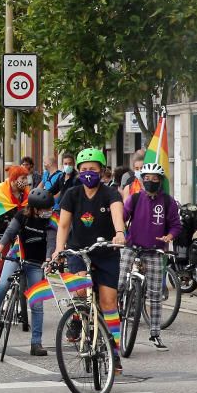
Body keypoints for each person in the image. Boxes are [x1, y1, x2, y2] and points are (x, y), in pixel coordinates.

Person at [52, 148, 126, 373]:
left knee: (108, 301)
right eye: (83, 170)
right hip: (78, 252)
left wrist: (120, 233)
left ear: (102, 171)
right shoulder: (72, 194)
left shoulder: (110, 194)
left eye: (93, 169)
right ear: (77, 171)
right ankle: (77, 317)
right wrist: (58, 250)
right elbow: (63, 225)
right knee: (80, 291)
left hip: (106, 252)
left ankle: (114, 348)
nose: (88, 173)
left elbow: (117, 215)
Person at [0, 188, 54, 355]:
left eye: (50, 208)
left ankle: (36, 343)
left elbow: (51, 242)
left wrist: (49, 259)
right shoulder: (22, 215)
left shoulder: (50, 221)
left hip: (37, 263)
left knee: (37, 304)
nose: (48, 211)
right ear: (35, 208)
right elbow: (10, 232)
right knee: (2, 285)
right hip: (16, 256)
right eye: (45, 209)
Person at [119, 162, 182, 352]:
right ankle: (117, 312)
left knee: (155, 294)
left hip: (155, 250)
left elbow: (176, 225)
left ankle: (155, 334)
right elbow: (120, 217)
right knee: (120, 282)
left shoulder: (168, 202)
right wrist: (118, 233)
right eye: (147, 179)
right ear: (142, 180)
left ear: (160, 181)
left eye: (155, 179)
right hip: (131, 246)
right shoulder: (135, 199)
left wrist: (169, 236)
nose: (151, 182)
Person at [0, 165, 30, 290]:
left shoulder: (26, 194)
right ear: (14, 179)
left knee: (25, 263)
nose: (26, 181)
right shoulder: (1, 192)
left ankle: (20, 295)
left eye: (26, 178)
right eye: (23, 178)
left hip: (19, 233)